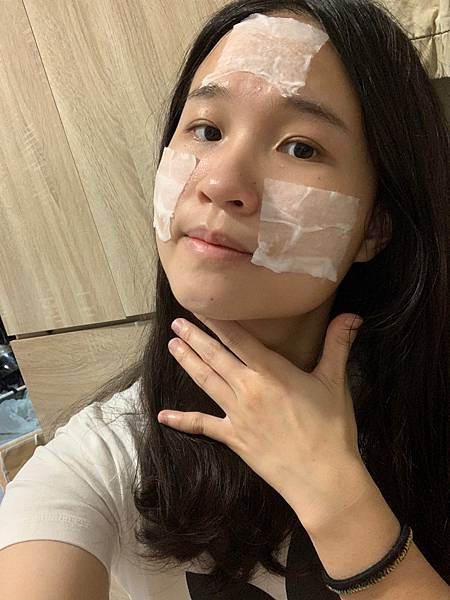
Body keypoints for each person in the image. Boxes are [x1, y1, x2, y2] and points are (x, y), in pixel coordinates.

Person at [0, 1, 449, 599]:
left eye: (300, 147)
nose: (219, 182)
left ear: (376, 226)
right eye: (207, 131)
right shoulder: (95, 465)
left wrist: (335, 495)